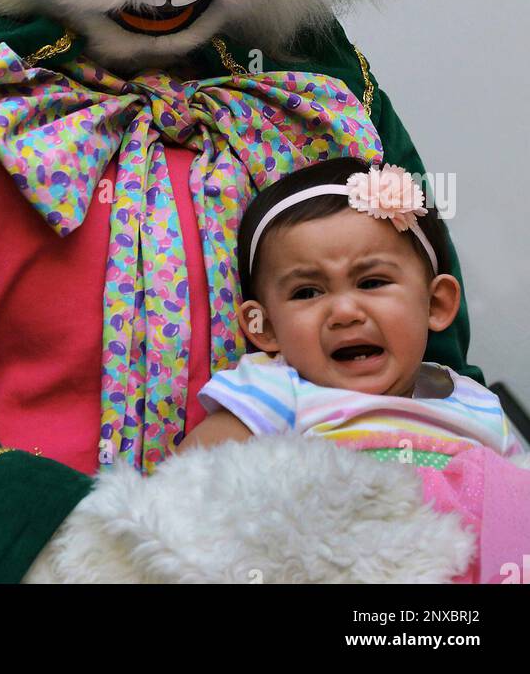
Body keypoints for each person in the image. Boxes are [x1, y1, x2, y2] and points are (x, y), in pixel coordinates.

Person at [178, 157, 530, 583]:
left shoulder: (479, 406)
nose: (344, 311)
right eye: (307, 292)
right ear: (266, 326)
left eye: (372, 282)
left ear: (436, 305)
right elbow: (188, 486)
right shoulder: (276, 390)